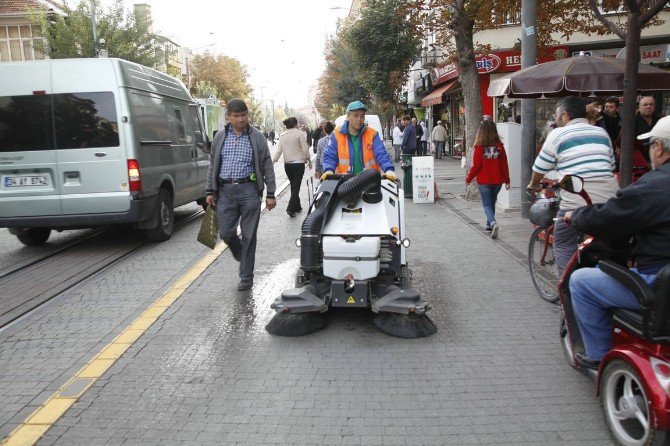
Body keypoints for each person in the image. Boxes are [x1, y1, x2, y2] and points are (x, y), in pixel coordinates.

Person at [565, 115, 670, 369]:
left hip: (659, 286)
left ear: (659, 148)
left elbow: (611, 216)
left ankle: (600, 358)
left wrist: (575, 216)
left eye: (651, 146)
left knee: (580, 282)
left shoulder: (655, 186)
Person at [528, 96, 618, 277]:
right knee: (607, 241)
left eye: (556, 115)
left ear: (565, 116)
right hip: (609, 200)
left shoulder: (557, 134)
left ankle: (568, 293)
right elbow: (611, 165)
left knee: (563, 242)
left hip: (578, 198)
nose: (556, 118)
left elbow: (540, 168)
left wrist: (533, 185)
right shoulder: (601, 133)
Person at [205, 99, 276, 291]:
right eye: (236, 116)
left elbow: (267, 165)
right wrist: (210, 190)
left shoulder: (257, 137)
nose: (240, 119)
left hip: (249, 191)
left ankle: (246, 276)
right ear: (228, 116)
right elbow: (213, 165)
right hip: (225, 192)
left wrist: (271, 193)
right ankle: (237, 249)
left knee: (249, 235)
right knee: (226, 232)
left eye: (243, 115)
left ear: (247, 115)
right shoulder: (220, 137)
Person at [321, 101, 396, 180]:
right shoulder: (336, 134)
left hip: (370, 181)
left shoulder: (372, 134)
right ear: (348, 116)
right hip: (344, 183)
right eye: (356, 116)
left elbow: (381, 154)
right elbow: (330, 155)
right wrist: (328, 169)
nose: (359, 119)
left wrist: (388, 170)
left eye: (362, 116)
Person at [465, 119, 510, 239]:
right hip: (497, 181)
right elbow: (504, 164)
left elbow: (477, 166)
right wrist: (507, 180)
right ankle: (489, 225)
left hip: (484, 181)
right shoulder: (499, 147)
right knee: (492, 202)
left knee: (486, 204)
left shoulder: (479, 147)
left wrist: (469, 178)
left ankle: (493, 223)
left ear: (481, 132)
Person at [273, 117, 311, 217]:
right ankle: (290, 208)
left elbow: (278, 150)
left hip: (288, 165)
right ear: (295, 124)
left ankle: (297, 206)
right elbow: (305, 148)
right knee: (296, 186)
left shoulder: (282, 135)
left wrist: (273, 161)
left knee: (293, 185)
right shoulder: (299, 133)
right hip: (298, 163)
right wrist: (308, 159)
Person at [634, 96, 660, 162]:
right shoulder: (632, 122)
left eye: (651, 104)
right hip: (639, 162)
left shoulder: (659, 121)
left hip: (658, 159)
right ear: (639, 107)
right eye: (645, 105)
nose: (648, 107)